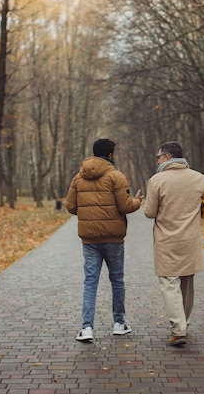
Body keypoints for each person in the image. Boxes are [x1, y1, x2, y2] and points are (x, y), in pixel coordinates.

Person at [66, 138, 143, 342]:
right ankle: (119, 323)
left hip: (89, 239)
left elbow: (70, 207)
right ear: (110, 155)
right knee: (117, 280)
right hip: (114, 239)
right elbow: (126, 206)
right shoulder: (116, 177)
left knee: (90, 282)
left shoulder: (78, 178)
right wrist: (138, 201)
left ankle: (87, 328)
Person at [144, 141, 204, 346]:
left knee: (169, 282)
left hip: (167, 240)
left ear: (166, 157)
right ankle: (185, 322)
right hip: (190, 239)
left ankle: (178, 328)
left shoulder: (156, 180)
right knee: (187, 283)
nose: (157, 161)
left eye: (158, 157)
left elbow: (149, 212)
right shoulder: (199, 178)